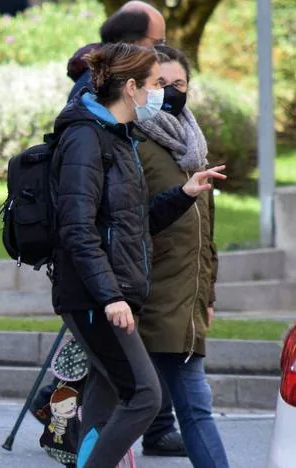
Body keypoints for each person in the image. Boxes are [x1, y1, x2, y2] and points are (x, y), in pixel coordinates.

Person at [50, 42, 226, 468]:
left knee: (107, 397)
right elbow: (77, 227)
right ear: (130, 88)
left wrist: (183, 195)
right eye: (153, 85)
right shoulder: (86, 139)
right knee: (146, 395)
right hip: (95, 298)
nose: (160, 95)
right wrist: (111, 297)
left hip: (113, 294)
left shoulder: (118, 138)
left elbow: (132, 222)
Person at [135, 45, 229, 468]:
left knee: (192, 408)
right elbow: (129, 224)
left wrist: (207, 295)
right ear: (141, 87)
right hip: (141, 298)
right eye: (161, 84)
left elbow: (205, 235)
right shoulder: (134, 143)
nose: (171, 92)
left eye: (179, 84)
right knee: (116, 410)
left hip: (182, 304)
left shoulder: (194, 146)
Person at [67, 1, 167, 103]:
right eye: (157, 43)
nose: (160, 52)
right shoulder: (100, 87)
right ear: (132, 42)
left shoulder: (110, 79)